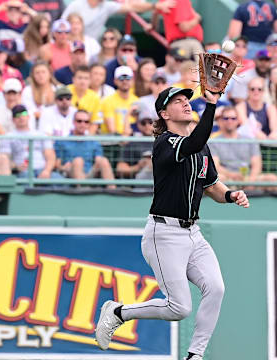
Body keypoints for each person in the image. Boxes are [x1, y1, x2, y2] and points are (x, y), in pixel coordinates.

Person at [95, 86, 250, 360]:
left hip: (193, 233)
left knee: (216, 288)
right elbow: (190, 143)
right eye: (177, 101)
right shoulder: (166, 143)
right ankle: (119, 312)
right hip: (163, 234)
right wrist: (212, 106)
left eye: (187, 100)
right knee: (180, 308)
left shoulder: (201, 147)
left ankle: (195, 355)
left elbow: (212, 186)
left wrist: (230, 194)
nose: (185, 104)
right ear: (164, 113)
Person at [210, 105, 277, 190]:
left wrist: (250, 182)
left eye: (233, 118)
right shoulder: (214, 141)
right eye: (226, 118)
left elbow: (257, 164)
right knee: (217, 179)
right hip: (227, 179)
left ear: (238, 120)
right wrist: (232, 175)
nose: (229, 121)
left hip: (248, 177)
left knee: (272, 179)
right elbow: (216, 166)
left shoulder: (250, 140)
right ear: (221, 120)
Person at [55, 109, 115, 188]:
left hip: (89, 173)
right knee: (78, 161)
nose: (82, 124)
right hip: (70, 173)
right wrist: (63, 167)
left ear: (89, 124)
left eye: (86, 122)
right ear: (74, 122)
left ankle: (112, 191)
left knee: (104, 161)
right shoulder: (62, 141)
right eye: (79, 121)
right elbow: (57, 164)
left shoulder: (93, 142)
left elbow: (98, 160)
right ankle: (82, 192)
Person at [0, 104, 61, 180]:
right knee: (25, 180)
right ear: (13, 120)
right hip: (22, 172)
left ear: (28, 117)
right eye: (17, 115)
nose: (21, 117)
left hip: (42, 169)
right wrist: (16, 166)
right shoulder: (7, 137)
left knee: (61, 180)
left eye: (24, 114)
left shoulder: (41, 134)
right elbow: (4, 159)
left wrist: (47, 171)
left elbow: (50, 156)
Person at [61, 0, 175, 40]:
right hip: (71, 46)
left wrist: (154, 6)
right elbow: (61, 25)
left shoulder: (106, 6)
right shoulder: (76, 5)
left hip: (92, 49)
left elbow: (132, 7)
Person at [100, 65, 138, 135]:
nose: (124, 81)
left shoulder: (137, 101)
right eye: (121, 78)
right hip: (113, 141)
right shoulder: (107, 101)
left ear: (132, 80)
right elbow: (112, 130)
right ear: (115, 81)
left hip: (132, 139)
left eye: (128, 78)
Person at [116, 110, 153, 179]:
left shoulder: (163, 140)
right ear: (138, 124)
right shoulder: (132, 142)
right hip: (141, 180)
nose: (147, 125)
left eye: (150, 122)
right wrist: (139, 166)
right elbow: (120, 169)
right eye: (143, 123)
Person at [67, 64, 102, 134]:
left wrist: (87, 138)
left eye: (86, 78)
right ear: (73, 79)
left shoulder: (95, 97)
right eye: (80, 78)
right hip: (66, 132)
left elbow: (95, 122)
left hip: (85, 135)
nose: (83, 81)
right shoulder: (66, 92)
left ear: (90, 81)